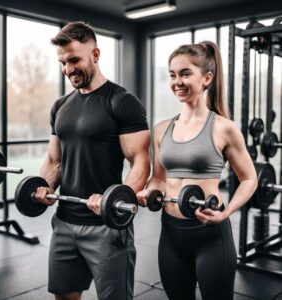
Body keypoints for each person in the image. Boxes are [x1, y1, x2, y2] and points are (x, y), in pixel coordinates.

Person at [34, 21, 150, 300]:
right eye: (62, 62)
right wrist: (43, 186)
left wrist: (114, 199)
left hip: (106, 227)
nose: (68, 69)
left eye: (74, 59)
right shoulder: (60, 106)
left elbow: (140, 163)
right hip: (63, 222)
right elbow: (54, 162)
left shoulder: (122, 102)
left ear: (95, 55)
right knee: (64, 296)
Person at [137, 41, 258, 300]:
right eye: (172, 75)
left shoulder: (224, 128)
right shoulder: (161, 129)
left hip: (210, 236)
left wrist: (226, 213)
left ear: (207, 78)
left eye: (185, 73)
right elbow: (158, 178)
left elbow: (249, 179)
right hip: (170, 235)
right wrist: (149, 192)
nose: (177, 82)